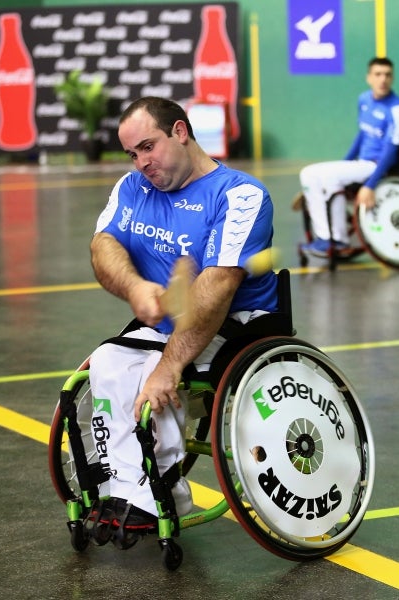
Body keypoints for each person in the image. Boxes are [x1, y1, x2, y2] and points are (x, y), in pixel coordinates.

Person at [88, 96, 278, 533]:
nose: (141, 164)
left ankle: (164, 490)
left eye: (148, 147)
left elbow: (217, 288)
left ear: (179, 131)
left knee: (153, 376)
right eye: (132, 154)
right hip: (165, 323)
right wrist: (136, 286)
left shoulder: (240, 194)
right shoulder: (132, 188)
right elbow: (103, 244)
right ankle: (125, 487)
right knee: (107, 363)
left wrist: (170, 365)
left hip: (232, 325)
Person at [298, 56, 399, 257]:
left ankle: (337, 240)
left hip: (378, 166)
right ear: (369, 78)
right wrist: (344, 164)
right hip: (360, 164)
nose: (382, 79)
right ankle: (326, 237)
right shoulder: (364, 100)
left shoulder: (398, 110)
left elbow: (393, 150)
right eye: (377, 74)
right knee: (309, 175)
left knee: (328, 177)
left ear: (392, 78)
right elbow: (361, 135)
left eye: (387, 75)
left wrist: (370, 185)